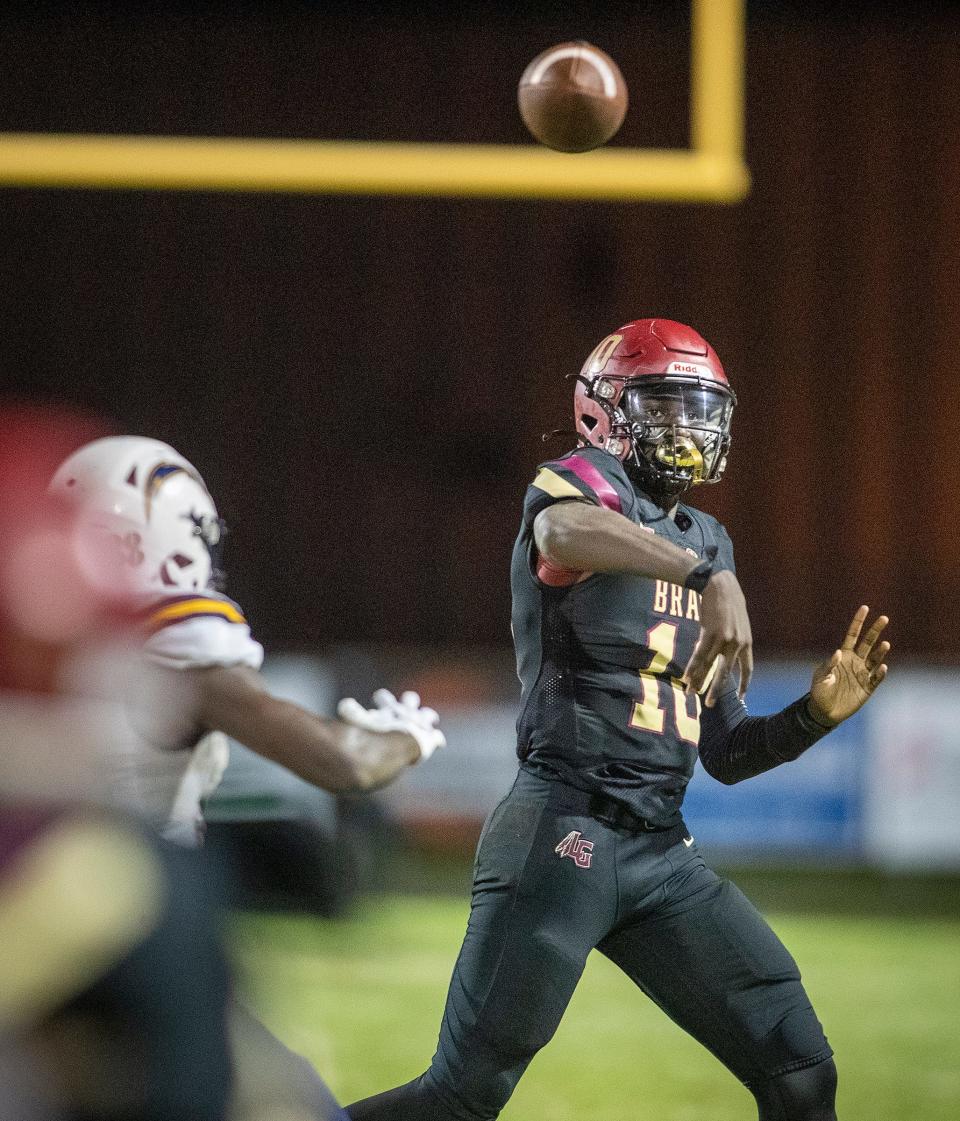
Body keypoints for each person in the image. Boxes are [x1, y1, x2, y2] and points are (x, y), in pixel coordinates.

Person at [345, 318, 890, 1121]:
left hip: (659, 853)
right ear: (603, 410)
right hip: (562, 834)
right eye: (667, 402)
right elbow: (560, 529)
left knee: (800, 1069)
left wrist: (814, 714)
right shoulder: (588, 484)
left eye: (701, 405)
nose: (690, 424)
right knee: (459, 1100)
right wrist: (701, 574)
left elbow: (729, 751)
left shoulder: (707, 536)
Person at [48, 434, 447, 1121]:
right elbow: (342, 761)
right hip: (134, 939)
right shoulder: (176, 635)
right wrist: (403, 739)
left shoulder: (44, 637)